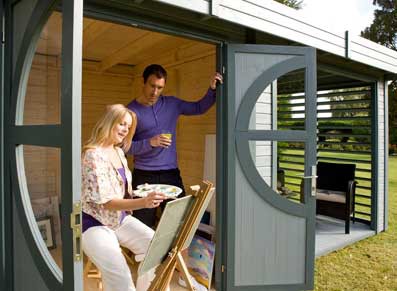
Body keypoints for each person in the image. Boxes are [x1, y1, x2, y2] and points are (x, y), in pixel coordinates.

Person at [81, 104, 167, 291]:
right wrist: (143, 202)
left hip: (118, 219)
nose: (125, 130)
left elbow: (120, 189)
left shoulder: (119, 152)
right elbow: (107, 202)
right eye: (121, 124)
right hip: (94, 223)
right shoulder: (92, 155)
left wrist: (144, 193)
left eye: (128, 127)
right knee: (121, 275)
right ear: (108, 122)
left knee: (154, 244)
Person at [127, 64, 223, 227]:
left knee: (180, 222)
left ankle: (173, 253)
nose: (155, 92)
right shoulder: (130, 111)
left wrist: (212, 90)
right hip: (144, 176)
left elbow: (199, 107)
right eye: (152, 86)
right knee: (141, 226)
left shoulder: (172, 104)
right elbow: (125, 147)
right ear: (143, 82)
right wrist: (150, 142)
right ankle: (143, 253)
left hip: (170, 174)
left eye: (160, 87)